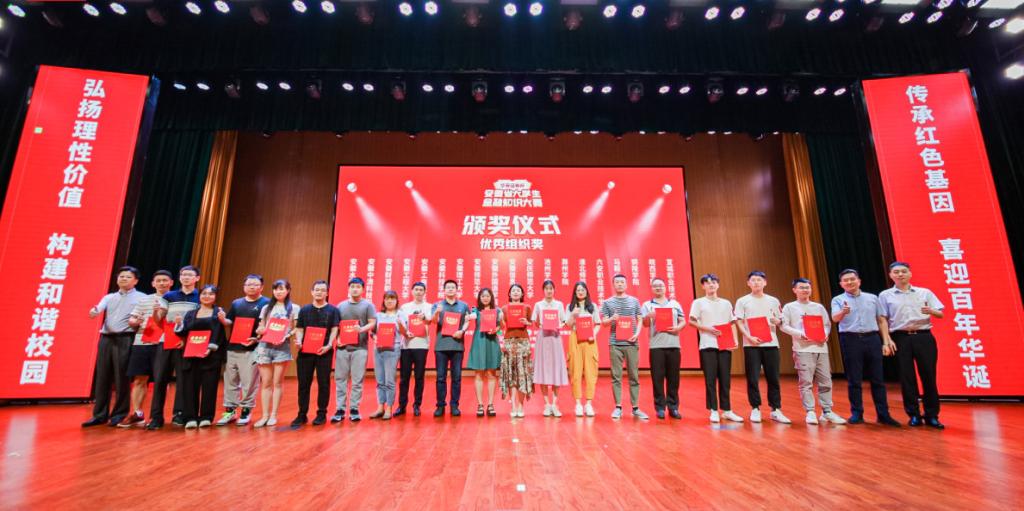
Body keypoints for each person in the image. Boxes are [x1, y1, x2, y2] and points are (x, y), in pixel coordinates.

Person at [879, 262, 946, 429]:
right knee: (906, 377)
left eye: (903, 271)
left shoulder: (924, 292)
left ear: (910, 273)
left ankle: (932, 415)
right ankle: (913, 414)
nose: (900, 274)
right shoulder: (885, 295)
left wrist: (931, 311)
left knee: (929, 375)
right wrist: (887, 340)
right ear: (891, 275)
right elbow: (882, 319)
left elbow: (940, 314)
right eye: (896, 272)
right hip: (900, 337)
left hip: (924, 336)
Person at [830, 269, 901, 427]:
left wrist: (886, 341)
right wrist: (843, 312)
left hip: (872, 338)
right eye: (846, 280)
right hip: (850, 339)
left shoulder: (872, 298)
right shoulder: (838, 299)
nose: (849, 282)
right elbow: (835, 318)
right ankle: (857, 413)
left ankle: (883, 414)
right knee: (854, 379)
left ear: (859, 281)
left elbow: (881, 320)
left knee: (878, 379)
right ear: (841, 284)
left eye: (852, 279)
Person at [82, 266, 146, 427]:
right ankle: (99, 415)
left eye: (128, 277)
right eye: (121, 276)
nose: (123, 279)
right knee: (102, 377)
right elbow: (98, 309)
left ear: (136, 281)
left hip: (125, 338)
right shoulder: (109, 297)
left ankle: (119, 414)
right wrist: (94, 311)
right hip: (106, 339)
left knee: (121, 378)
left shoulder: (142, 298)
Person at [780, 278, 846, 425]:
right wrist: (800, 334)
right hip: (802, 349)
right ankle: (810, 411)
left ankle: (827, 411)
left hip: (821, 348)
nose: (805, 290)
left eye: (807, 287)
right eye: (802, 287)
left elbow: (827, 324)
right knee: (806, 382)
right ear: (794, 290)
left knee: (826, 380)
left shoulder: (818, 307)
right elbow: (783, 326)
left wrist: (825, 334)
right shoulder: (789, 307)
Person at [734, 271, 790, 424]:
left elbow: (780, 320)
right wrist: (748, 336)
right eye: (753, 280)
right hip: (751, 344)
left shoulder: (773, 300)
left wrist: (777, 321)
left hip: (771, 343)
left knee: (773, 378)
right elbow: (739, 321)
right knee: (753, 377)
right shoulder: (742, 301)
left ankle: (776, 409)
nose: (756, 282)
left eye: (759, 280)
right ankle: (755, 408)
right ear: (748, 283)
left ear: (765, 282)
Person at [118, 270, 172, 428]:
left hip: (164, 343)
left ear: (171, 283)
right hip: (142, 342)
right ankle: (137, 413)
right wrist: (134, 321)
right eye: (158, 280)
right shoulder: (144, 300)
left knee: (161, 381)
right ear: (153, 284)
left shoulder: (175, 299)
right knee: (139, 379)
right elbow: (133, 319)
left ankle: (157, 416)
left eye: (165, 280)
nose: (161, 283)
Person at [689, 273, 744, 424]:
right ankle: (713, 410)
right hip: (707, 344)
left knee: (725, 379)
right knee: (710, 379)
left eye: (713, 282)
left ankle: (727, 410)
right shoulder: (698, 302)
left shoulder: (726, 303)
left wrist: (735, 340)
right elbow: (691, 321)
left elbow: (732, 323)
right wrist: (708, 329)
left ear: (718, 285)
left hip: (725, 344)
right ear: (703, 286)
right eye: (707, 283)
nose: (711, 285)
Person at [217, 274, 269, 426]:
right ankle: (230, 411)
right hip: (233, 347)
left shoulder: (266, 304)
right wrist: (222, 319)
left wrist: (257, 339)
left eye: (255, 284)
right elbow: (229, 321)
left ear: (262, 287)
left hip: (252, 348)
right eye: (248, 284)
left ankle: (246, 410)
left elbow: (268, 326)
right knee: (230, 381)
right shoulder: (237, 303)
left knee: (249, 382)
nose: (252, 287)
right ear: (244, 286)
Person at [153, 265, 201, 428]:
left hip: (187, 342)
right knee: (160, 379)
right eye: (183, 275)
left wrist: (186, 338)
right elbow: (159, 320)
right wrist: (155, 312)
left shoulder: (200, 296)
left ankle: (179, 414)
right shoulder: (169, 296)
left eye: (189, 275)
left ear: (197, 278)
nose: (186, 277)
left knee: (183, 380)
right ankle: (156, 417)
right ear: (179, 278)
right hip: (167, 339)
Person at [174, 284, 228, 429]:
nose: (207, 296)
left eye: (211, 294)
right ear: (200, 296)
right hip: (191, 354)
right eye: (204, 293)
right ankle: (190, 417)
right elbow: (183, 332)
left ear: (215, 297)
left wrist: (210, 348)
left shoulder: (219, 312)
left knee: (209, 387)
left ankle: (206, 416)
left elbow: (218, 333)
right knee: (189, 386)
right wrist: (179, 324)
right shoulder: (191, 313)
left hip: (211, 355)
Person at [600, 274, 648, 420]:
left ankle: (635, 408)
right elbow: (604, 323)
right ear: (613, 284)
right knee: (616, 376)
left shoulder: (634, 301)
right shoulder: (607, 302)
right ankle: (618, 407)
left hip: (632, 343)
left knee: (634, 376)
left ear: (626, 284)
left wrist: (637, 334)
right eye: (617, 282)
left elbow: (640, 319)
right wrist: (611, 319)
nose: (620, 284)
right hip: (615, 344)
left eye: (622, 282)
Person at [292, 280, 340, 427]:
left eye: (322, 290)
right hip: (305, 352)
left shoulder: (333, 310)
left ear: (327, 293)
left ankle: (321, 414)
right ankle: (302, 414)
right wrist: (299, 341)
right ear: (312, 292)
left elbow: (334, 329)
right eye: (317, 290)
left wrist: (329, 345)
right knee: (303, 384)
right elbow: (300, 329)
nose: (319, 292)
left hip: (324, 352)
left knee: (324, 383)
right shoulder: (304, 310)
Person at [254, 279, 299, 427]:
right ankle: (264, 416)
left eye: (281, 289)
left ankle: (273, 415)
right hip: (264, 347)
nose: (278, 292)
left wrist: (286, 336)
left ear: (288, 290)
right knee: (265, 383)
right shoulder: (266, 308)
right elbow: (261, 326)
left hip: (282, 347)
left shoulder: (294, 308)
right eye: (276, 289)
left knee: (277, 382)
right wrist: (260, 331)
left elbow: (297, 328)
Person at [332, 277, 376, 423]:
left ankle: (354, 409)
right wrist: (337, 338)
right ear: (349, 288)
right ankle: (340, 409)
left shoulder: (368, 305)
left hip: (360, 348)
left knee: (357, 380)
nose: (355, 289)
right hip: (342, 348)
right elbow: (336, 326)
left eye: (358, 287)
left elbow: (372, 322)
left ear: (363, 289)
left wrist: (361, 329)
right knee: (340, 379)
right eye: (352, 286)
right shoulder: (341, 306)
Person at [640, 277, 685, 420]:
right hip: (656, 346)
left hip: (674, 345)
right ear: (652, 289)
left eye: (660, 285)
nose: (658, 288)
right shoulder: (647, 305)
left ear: (665, 287)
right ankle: (660, 408)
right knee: (657, 378)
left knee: (674, 378)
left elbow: (683, 320)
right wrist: (648, 316)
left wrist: (678, 328)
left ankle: (673, 407)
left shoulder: (674, 304)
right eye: (655, 286)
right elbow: (645, 324)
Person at [431, 279, 471, 417]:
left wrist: (462, 331)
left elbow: (467, 322)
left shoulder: (463, 305)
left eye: (453, 287)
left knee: (456, 378)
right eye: (448, 287)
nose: (450, 289)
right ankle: (440, 405)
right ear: (444, 290)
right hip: (441, 346)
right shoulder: (437, 305)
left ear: (456, 289)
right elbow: (434, 321)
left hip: (457, 346)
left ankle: (454, 405)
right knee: (440, 377)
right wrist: (437, 312)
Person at [532, 280, 569, 417]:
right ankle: (547, 404)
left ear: (554, 290)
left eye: (551, 288)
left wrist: (560, 325)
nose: (549, 291)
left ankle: (554, 404)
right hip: (543, 338)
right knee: (543, 370)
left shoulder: (559, 304)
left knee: (555, 369)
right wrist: (539, 324)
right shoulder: (538, 304)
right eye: (546, 288)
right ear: (543, 290)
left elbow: (564, 321)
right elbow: (534, 321)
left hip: (555, 338)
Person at [396, 282, 432, 417]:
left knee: (419, 377)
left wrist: (425, 318)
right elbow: (400, 324)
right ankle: (402, 405)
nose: (418, 292)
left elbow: (430, 321)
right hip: (406, 345)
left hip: (422, 345)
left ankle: (417, 405)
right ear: (412, 291)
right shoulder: (405, 307)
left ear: (424, 292)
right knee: (404, 377)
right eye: (416, 289)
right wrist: (405, 333)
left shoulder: (429, 306)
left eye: (421, 290)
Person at [566, 281, 601, 417]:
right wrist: (573, 315)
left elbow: (598, 323)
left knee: (591, 372)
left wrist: (593, 334)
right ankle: (578, 404)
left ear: (587, 291)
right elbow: (568, 325)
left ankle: (589, 404)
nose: (580, 292)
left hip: (590, 340)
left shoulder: (593, 307)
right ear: (575, 293)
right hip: (575, 339)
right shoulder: (570, 307)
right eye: (578, 290)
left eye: (583, 290)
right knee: (575, 372)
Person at [466, 288, 503, 417]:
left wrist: (497, 329)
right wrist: (467, 318)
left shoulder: (497, 311)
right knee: (479, 374)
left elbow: (501, 330)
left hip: (492, 343)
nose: (485, 298)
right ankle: (480, 405)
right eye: (483, 296)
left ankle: (491, 404)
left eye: (487, 296)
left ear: (491, 297)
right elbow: (470, 318)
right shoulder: (475, 310)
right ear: (479, 298)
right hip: (479, 342)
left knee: (491, 374)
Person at [500, 284, 534, 418]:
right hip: (509, 341)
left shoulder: (527, 307)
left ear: (522, 294)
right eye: (513, 290)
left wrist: (527, 322)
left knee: (522, 374)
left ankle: (521, 406)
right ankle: (513, 406)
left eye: (518, 290)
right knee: (511, 374)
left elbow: (531, 323)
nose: (515, 292)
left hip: (523, 342)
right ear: (509, 294)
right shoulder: (504, 309)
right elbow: (501, 327)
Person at [371, 290, 402, 420]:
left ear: (396, 301)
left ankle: (389, 407)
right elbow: (372, 332)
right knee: (380, 380)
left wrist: (400, 324)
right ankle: (380, 407)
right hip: (378, 349)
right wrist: (375, 338)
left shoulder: (400, 314)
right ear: (383, 301)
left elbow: (404, 331)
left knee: (390, 380)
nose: (389, 301)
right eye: (387, 299)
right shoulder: (378, 315)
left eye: (392, 298)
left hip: (393, 349)